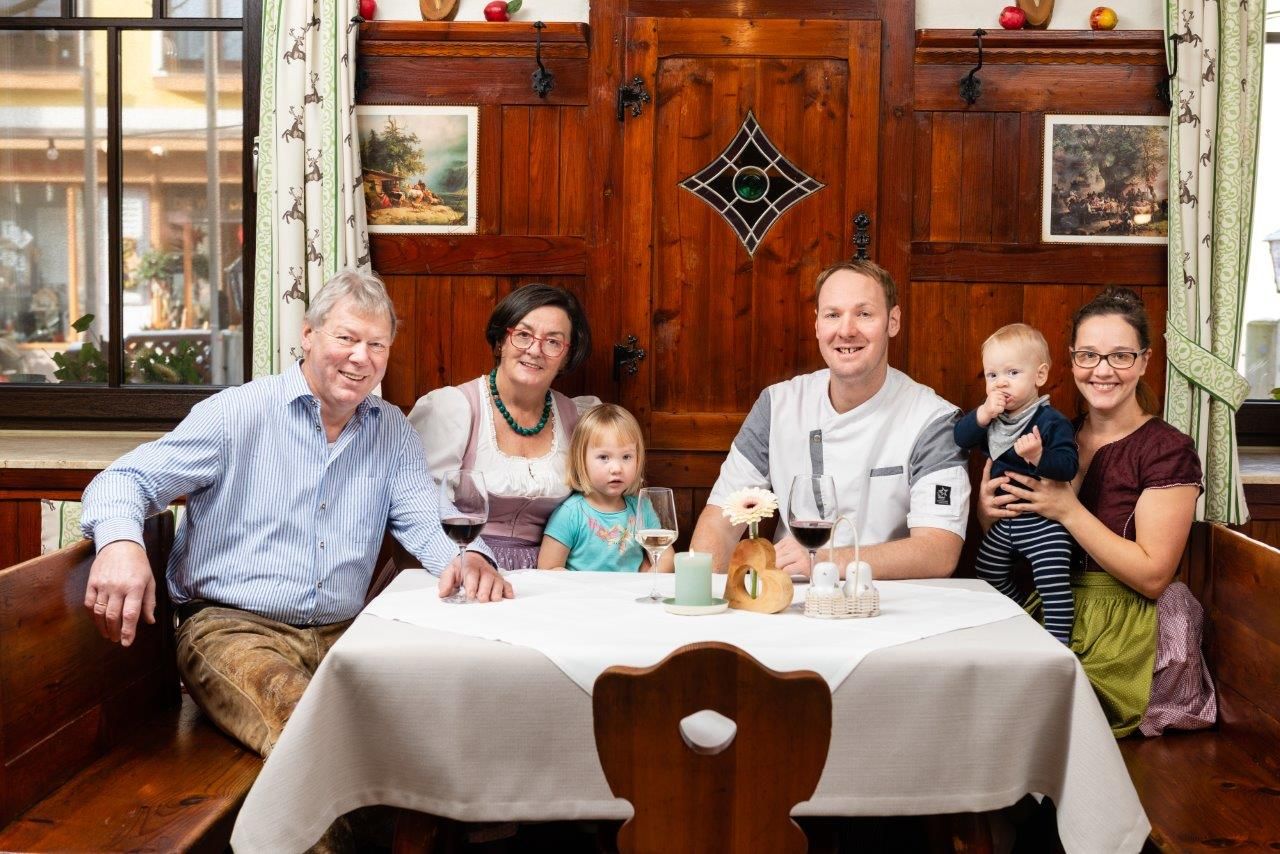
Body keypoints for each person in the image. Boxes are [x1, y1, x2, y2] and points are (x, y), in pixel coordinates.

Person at [79, 269, 510, 759]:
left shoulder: (391, 430)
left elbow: (427, 522)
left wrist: (471, 558)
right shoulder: (237, 414)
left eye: (377, 345)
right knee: (312, 732)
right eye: (346, 337)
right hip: (231, 629)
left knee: (433, 722)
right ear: (307, 334)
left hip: (343, 632)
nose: (360, 357)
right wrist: (119, 543)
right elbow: (123, 480)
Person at [979, 286, 1215, 737]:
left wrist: (1069, 510)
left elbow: (1153, 576)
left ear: (1145, 361)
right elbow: (1014, 528)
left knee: (1021, 715)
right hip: (1052, 608)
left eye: (1120, 356)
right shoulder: (1051, 435)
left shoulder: (1168, 450)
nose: (1102, 371)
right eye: (1088, 355)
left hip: (1131, 628)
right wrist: (989, 511)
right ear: (1070, 362)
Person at [689, 258, 970, 579]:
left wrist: (828, 562)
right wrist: (700, 592)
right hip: (791, 600)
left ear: (893, 321)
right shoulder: (778, 404)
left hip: (889, 602)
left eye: (864, 314)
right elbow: (721, 522)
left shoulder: (932, 419)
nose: (846, 330)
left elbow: (938, 551)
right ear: (817, 325)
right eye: (833, 315)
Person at [409, 284, 598, 570]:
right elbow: (417, 509)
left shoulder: (578, 418)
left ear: (566, 358)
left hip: (549, 574)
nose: (535, 350)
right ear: (500, 342)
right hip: (459, 566)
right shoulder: (454, 408)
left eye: (553, 342)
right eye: (523, 335)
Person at [954, 323, 1078, 643]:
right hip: (1004, 524)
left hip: (1044, 524)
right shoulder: (993, 419)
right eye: (992, 375)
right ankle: (1026, 620)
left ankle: (1058, 642)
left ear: (1039, 376)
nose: (1001, 383)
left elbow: (1067, 466)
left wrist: (1039, 457)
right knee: (987, 571)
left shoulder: (1050, 422)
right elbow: (961, 438)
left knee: (1052, 583)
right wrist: (982, 415)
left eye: (1012, 372)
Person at [538, 403, 673, 573]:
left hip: (629, 597)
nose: (616, 468)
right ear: (581, 460)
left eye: (626, 457)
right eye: (604, 457)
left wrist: (647, 582)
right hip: (584, 598)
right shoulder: (571, 513)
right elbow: (548, 567)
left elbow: (666, 557)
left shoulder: (642, 508)